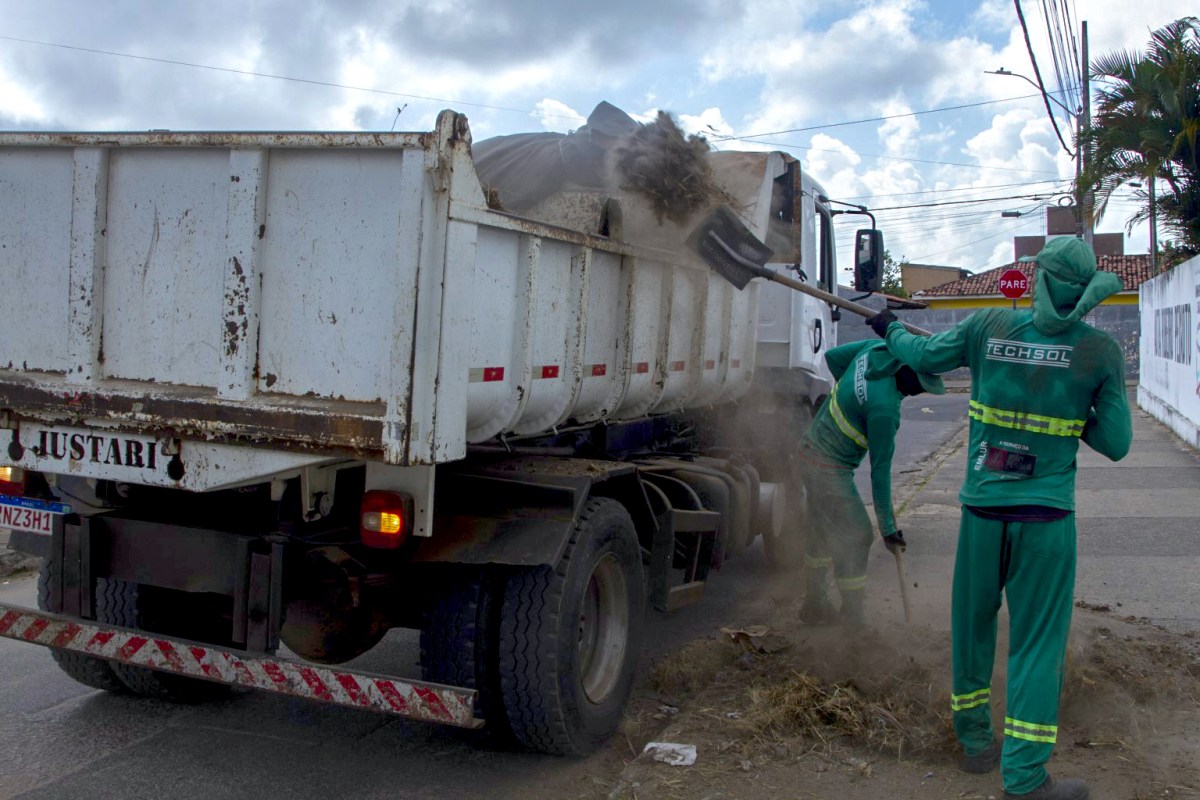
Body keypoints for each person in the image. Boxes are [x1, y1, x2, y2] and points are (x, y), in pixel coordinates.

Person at [865, 236, 1132, 800]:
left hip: (983, 511)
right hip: (1046, 520)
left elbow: (926, 357)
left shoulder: (989, 326)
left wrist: (888, 325)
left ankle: (975, 744)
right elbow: (1117, 442)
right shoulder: (1099, 353)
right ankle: (1026, 778)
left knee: (972, 626)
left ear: (1039, 281)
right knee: (1037, 644)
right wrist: (1068, 408)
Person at [795, 338, 944, 625]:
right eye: (921, 384)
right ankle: (853, 619)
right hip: (828, 467)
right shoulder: (885, 408)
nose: (919, 392)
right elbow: (880, 472)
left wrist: (847, 398)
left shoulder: (874, 350)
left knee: (820, 529)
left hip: (807, 452)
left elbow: (834, 357)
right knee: (858, 533)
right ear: (907, 371)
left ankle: (814, 603)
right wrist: (888, 529)